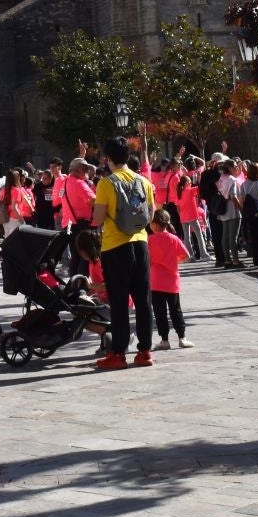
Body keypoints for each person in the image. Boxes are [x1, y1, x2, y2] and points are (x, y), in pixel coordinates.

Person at [90, 137, 155, 370]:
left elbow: (97, 218)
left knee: (119, 302)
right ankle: (145, 351)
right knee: (143, 300)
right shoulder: (143, 181)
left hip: (115, 246)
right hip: (140, 243)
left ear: (108, 159)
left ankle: (118, 353)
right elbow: (151, 213)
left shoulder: (106, 184)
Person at [147, 209, 192, 350]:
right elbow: (186, 256)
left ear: (154, 224)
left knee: (160, 312)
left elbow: (146, 260)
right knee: (176, 310)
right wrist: (174, 260)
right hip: (172, 281)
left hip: (155, 281)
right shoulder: (174, 239)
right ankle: (182, 337)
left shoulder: (149, 240)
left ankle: (164, 340)